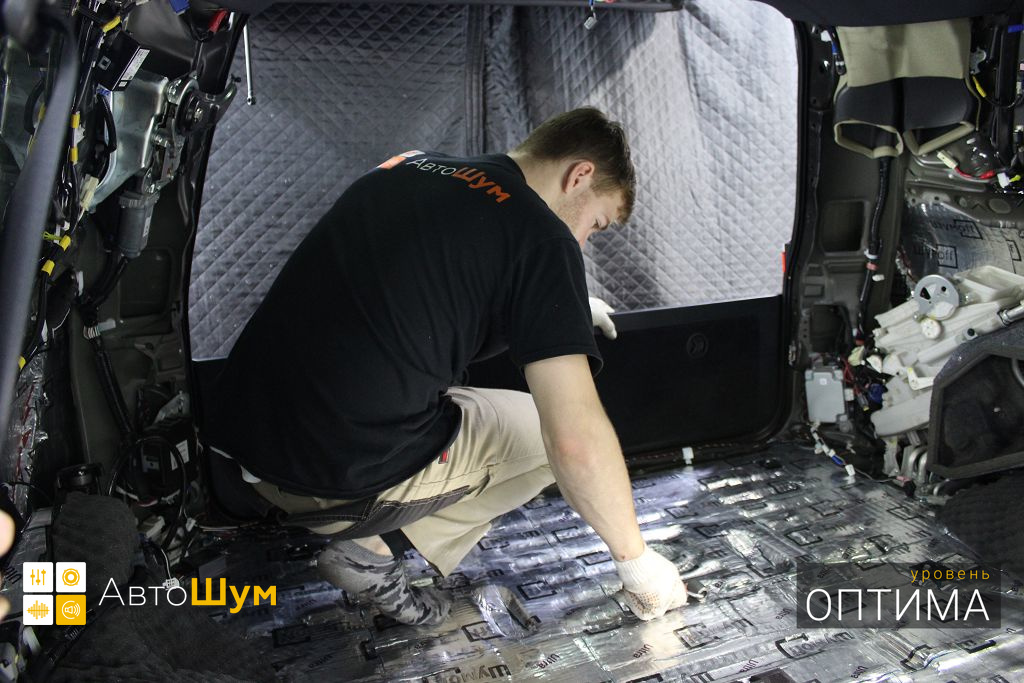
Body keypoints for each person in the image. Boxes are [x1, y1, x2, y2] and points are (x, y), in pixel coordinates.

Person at [204, 107, 688, 626]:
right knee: (547, 437)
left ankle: (354, 527)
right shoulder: (542, 235)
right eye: (596, 223)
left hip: (239, 441)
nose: (584, 241)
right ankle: (369, 549)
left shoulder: (408, 166)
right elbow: (574, 442)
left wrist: (562, 312)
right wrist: (637, 563)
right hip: (322, 476)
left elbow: (419, 295)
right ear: (580, 175)